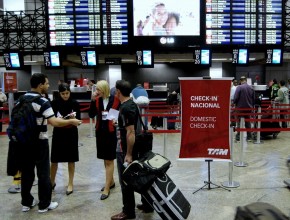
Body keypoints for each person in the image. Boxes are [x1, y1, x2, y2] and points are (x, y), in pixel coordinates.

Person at [19, 73, 82, 213]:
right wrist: (71, 121)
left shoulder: (21, 99)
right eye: (46, 83)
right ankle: (44, 204)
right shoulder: (43, 101)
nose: (48, 86)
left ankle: (26, 202)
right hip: (39, 141)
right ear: (40, 85)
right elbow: (53, 121)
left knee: (27, 173)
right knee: (43, 172)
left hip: (24, 142)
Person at [111, 80, 153, 220]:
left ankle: (128, 211)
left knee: (126, 181)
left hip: (127, 150)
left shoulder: (126, 107)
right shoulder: (131, 104)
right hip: (138, 148)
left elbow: (130, 133)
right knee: (141, 177)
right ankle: (147, 205)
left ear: (118, 91)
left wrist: (128, 154)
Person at [88, 80, 120, 200]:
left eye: (98, 90)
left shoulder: (115, 99)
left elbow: (119, 114)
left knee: (109, 160)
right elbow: (91, 115)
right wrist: (91, 100)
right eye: (96, 90)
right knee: (104, 158)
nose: (96, 92)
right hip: (100, 132)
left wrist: (118, 121)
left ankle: (107, 188)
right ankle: (110, 182)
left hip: (111, 133)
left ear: (104, 89)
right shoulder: (96, 100)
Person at [50, 83, 81, 195]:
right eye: (63, 94)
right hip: (58, 133)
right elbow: (52, 121)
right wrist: (64, 121)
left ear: (70, 92)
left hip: (71, 133)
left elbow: (79, 122)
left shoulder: (75, 103)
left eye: (67, 93)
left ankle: (70, 183)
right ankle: (51, 181)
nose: (65, 96)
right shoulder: (54, 103)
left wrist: (74, 119)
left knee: (71, 159)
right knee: (54, 160)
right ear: (59, 93)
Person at [233, 76, 255, 141]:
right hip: (248, 108)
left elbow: (236, 97)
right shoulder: (251, 87)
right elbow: (253, 98)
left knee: (239, 122)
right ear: (246, 80)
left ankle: (238, 137)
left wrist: (234, 102)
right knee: (248, 122)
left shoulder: (239, 87)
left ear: (240, 81)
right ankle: (249, 137)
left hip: (240, 108)